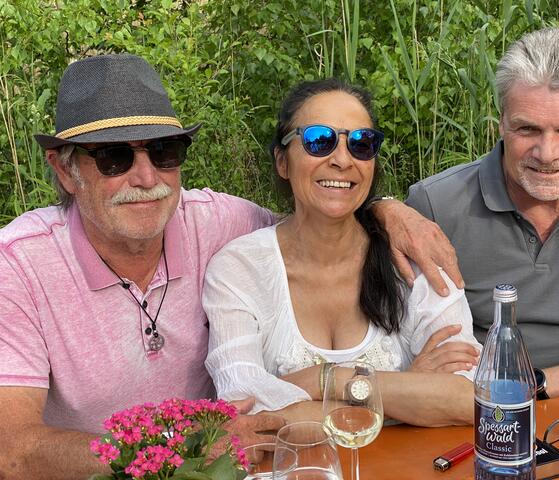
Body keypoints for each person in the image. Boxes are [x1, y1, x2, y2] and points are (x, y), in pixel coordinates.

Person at [0, 54, 459, 479]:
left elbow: (323, 214)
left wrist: (387, 210)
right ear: (64, 170)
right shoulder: (19, 266)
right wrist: (181, 450)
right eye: (113, 157)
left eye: (163, 152)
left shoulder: (218, 222)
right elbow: (12, 451)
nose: (146, 177)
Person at [203, 79, 482, 427]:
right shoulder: (239, 269)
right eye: (319, 141)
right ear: (282, 161)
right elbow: (249, 409)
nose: (341, 160)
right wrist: (408, 387)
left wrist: (324, 381)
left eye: (361, 144)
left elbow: (471, 399)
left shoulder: (412, 256)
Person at [406, 26, 559, 400]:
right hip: (465, 407)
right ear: (502, 120)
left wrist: (534, 386)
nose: (547, 153)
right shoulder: (435, 205)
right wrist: (382, 207)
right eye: (527, 129)